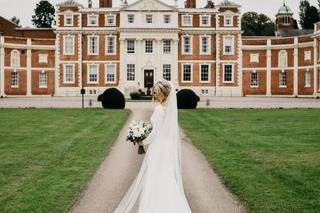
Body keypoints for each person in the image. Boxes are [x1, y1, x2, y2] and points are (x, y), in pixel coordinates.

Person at [114, 80, 192, 213]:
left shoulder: (159, 109)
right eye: (154, 92)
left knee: (156, 178)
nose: (154, 95)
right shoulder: (168, 110)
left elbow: (156, 133)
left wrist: (142, 142)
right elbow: (161, 130)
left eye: (156, 93)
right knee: (166, 177)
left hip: (158, 148)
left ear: (163, 94)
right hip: (167, 148)